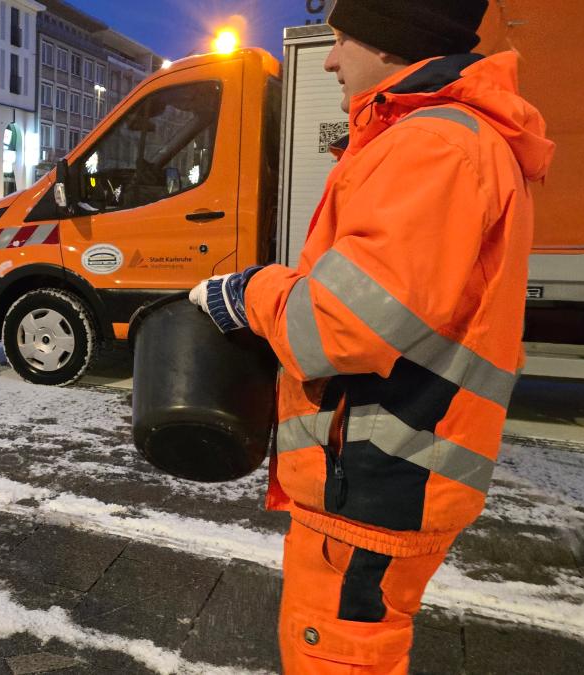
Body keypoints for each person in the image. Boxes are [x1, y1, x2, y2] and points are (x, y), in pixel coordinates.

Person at [190, 0, 554, 672]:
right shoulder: (440, 138)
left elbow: (338, 326)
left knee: (342, 658)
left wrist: (248, 293)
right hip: (384, 472)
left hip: (378, 477)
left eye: (343, 39)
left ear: (391, 45)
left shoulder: (432, 146)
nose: (330, 58)